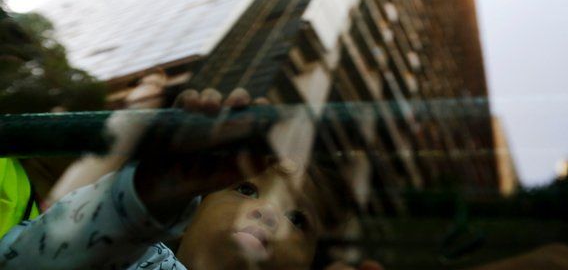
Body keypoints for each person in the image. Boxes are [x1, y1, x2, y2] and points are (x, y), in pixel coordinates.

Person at [0, 88, 369, 269]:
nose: (268, 213)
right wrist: (146, 196)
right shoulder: (141, 258)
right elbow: (33, 260)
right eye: (245, 189)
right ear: (187, 217)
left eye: (297, 218)